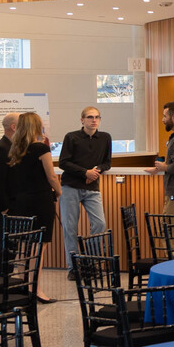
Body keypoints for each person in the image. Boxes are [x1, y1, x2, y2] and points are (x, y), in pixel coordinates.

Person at [58, 106, 113, 271]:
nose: (94, 120)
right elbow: (63, 162)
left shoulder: (105, 137)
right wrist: (85, 173)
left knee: (100, 224)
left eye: (97, 117)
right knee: (70, 228)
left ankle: (90, 262)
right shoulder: (71, 137)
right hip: (70, 187)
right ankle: (73, 267)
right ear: (82, 120)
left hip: (92, 187)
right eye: (90, 117)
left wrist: (95, 171)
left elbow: (107, 163)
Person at [4, 111, 61, 243]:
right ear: (37, 126)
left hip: (21, 200)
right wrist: (59, 191)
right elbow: (51, 177)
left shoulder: (15, 149)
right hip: (40, 199)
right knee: (40, 242)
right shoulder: (41, 149)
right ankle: (36, 259)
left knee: (24, 240)